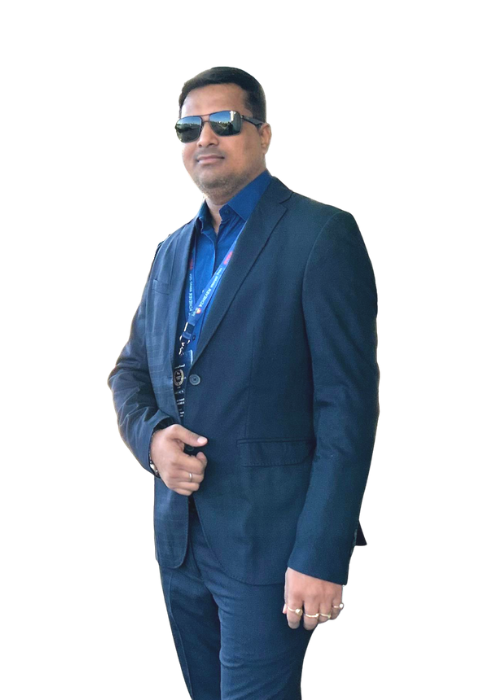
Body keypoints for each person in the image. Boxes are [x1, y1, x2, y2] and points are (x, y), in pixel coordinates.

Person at [106, 65, 379, 699]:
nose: (205, 138)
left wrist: (321, 554)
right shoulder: (170, 251)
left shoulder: (322, 235)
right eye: (188, 128)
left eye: (224, 123)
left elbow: (347, 407)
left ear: (265, 135)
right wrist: (154, 441)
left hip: (271, 549)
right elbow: (129, 374)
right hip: (180, 543)